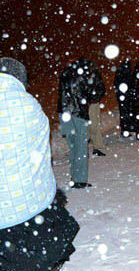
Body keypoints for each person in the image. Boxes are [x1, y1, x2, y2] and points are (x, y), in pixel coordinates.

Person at [0, 57, 79, 270]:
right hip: (21, 199)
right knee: (34, 251)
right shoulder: (25, 103)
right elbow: (39, 134)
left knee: (5, 257)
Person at [58, 57, 93, 188]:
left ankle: (74, 176)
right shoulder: (81, 76)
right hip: (78, 114)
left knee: (73, 147)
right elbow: (88, 95)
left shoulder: (64, 75)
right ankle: (80, 180)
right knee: (81, 147)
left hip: (65, 114)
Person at [88, 61, 107, 156]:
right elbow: (102, 88)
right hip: (93, 102)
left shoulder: (87, 75)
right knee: (94, 124)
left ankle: (96, 146)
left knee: (93, 124)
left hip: (91, 103)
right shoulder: (95, 74)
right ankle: (96, 145)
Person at [113, 60, 136, 136]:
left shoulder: (119, 73)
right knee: (127, 113)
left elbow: (116, 84)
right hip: (127, 97)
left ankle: (124, 129)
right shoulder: (129, 73)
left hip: (122, 97)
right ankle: (127, 129)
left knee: (123, 114)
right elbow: (132, 84)